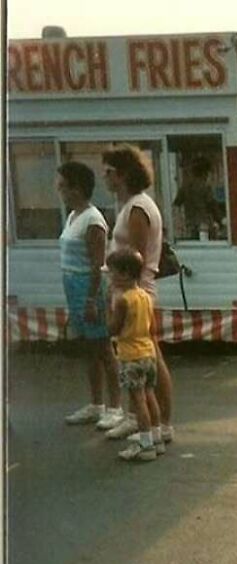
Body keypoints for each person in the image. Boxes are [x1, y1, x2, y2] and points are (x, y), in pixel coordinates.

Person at [102, 144, 174, 444]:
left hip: (135, 291)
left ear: (122, 175)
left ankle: (162, 421)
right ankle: (141, 418)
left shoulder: (137, 208)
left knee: (148, 356)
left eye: (108, 173)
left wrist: (123, 290)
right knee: (138, 356)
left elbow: (137, 257)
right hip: (129, 290)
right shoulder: (133, 205)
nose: (104, 179)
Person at [56, 161, 124, 430]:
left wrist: (91, 300)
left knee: (104, 348)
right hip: (73, 285)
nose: (59, 191)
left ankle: (115, 407)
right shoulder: (73, 216)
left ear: (77, 188)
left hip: (89, 287)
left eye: (63, 186)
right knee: (88, 348)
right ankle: (96, 404)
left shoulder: (93, 220)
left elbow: (98, 264)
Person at [106, 248, 164, 462]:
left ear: (125, 274)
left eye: (112, 273)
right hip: (148, 351)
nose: (110, 278)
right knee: (149, 395)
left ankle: (145, 443)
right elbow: (152, 328)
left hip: (130, 355)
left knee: (137, 400)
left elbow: (113, 328)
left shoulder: (123, 300)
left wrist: (107, 309)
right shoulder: (146, 297)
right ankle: (156, 438)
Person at [173, 155, 221, 240]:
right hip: (204, 225)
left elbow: (176, 204)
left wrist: (179, 223)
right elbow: (212, 205)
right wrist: (220, 220)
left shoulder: (185, 187)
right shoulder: (205, 187)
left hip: (189, 225)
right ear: (205, 173)